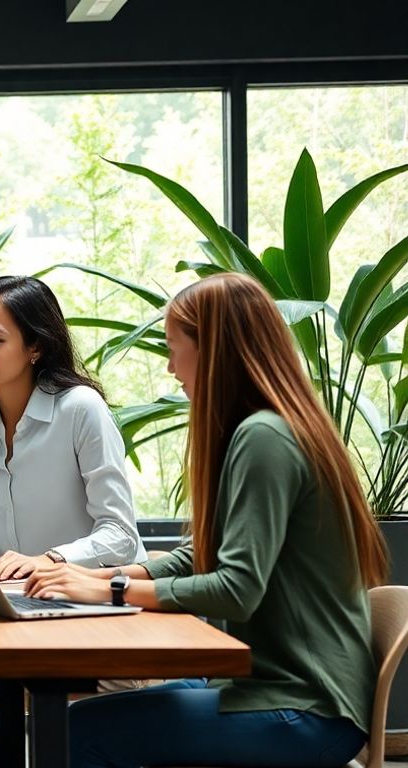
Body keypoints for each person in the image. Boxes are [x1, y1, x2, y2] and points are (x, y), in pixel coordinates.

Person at [27, 272, 385, 767]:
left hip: (306, 707)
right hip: (274, 688)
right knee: (96, 715)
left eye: (176, 348)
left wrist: (110, 592)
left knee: (79, 729)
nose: (172, 367)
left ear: (215, 350)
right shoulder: (267, 428)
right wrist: (97, 576)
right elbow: (202, 556)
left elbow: (236, 588)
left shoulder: (265, 439)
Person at [0, 275, 145, 768]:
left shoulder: (80, 410)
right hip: (15, 618)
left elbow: (121, 536)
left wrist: (50, 560)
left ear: (35, 346)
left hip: (93, 614)